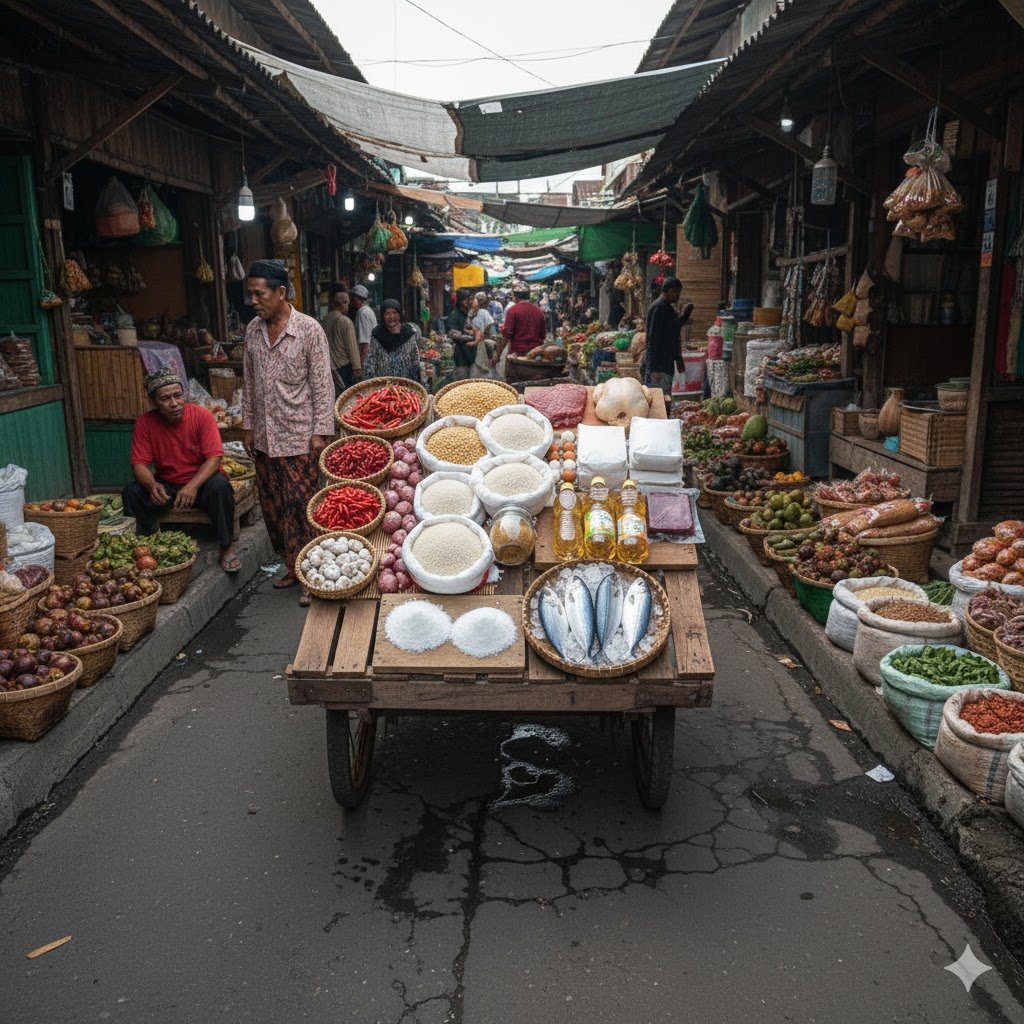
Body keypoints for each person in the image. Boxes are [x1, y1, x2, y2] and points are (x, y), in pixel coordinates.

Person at [241, 259, 334, 605]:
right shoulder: (252, 331)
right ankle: (293, 566)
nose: (253, 301)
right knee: (273, 508)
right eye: (250, 294)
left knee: (303, 507)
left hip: (299, 436)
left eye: (259, 294)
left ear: (280, 292)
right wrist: (248, 426)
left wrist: (320, 433)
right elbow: (249, 382)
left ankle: (314, 574)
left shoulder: (309, 330)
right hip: (265, 437)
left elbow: (322, 385)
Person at [122, 367, 239, 573]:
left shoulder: (201, 416)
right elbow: (139, 464)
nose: (174, 403)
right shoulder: (145, 423)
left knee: (220, 487)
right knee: (132, 492)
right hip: (168, 485)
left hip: (201, 483)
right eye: (165, 399)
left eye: (178, 395)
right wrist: (152, 485)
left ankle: (226, 547)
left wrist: (192, 486)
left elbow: (214, 459)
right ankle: (147, 548)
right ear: (153, 402)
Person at [643, 277, 694, 394]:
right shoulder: (659, 308)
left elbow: (672, 329)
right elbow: (653, 338)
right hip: (658, 364)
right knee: (658, 399)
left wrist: (685, 316)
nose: (678, 296)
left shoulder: (666, 308)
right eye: (678, 292)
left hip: (664, 363)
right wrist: (652, 366)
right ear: (671, 291)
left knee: (663, 398)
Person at [492, 286, 547, 375]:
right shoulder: (538, 311)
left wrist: (497, 355)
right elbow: (543, 334)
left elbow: (507, 335)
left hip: (517, 355)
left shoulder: (512, 311)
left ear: (515, 297)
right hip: (536, 355)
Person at [365, 298, 422, 382]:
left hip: (405, 384)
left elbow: (415, 361)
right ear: (382, 316)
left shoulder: (409, 333)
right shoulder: (377, 334)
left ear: (400, 314)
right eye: (387, 313)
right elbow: (370, 363)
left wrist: (416, 383)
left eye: (395, 313)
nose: (391, 317)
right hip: (383, 384)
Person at [323, 288, 361, 393]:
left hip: (329, 368)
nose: (348, 306)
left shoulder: (325, 320)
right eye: (347, 303)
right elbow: (352, 348)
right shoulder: (346, 322)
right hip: (345, 368)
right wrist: (357, 369)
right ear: (343, 303)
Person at [447, 290, 476, 381]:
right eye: (466, 300)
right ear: (460, 301)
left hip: (474, 356)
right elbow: (453, 334)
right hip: (462, 357)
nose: (469, 302)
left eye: (470, 299)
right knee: (462, 383)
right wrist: (468, 337)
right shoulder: (455, 315)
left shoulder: (473, 314)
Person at [349, 284, 377, 369]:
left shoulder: (363, 313)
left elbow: (365, 341)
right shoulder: (366, 311)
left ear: (356, 298)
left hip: (368, 358)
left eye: (352, 297)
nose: (350, 300)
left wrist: (361, 363)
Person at [470, 290, 496, 378]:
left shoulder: (481, 312)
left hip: (484, 344)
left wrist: (474, 341)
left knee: (482, 369)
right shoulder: (485, 312)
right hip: (488, 343)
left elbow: (479, 331)